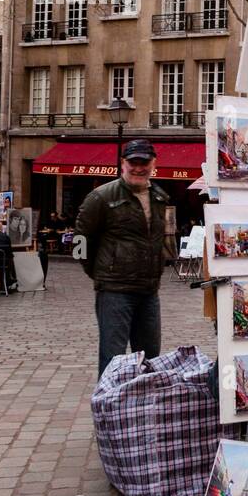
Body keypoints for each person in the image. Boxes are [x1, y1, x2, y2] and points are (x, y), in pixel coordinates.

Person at [76, 139, 170, 377]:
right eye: (133, 162)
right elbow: (80, 242)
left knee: (151, 358)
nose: (139, 168)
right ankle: (107, 410)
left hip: (149, 290)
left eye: (144, 162)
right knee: (113, 359)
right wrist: (100, 272)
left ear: (154, 163)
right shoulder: (101, 197)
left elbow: (161, 238)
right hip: (115, 291)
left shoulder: (160, 197)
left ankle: (144, 408)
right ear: (123, 163)